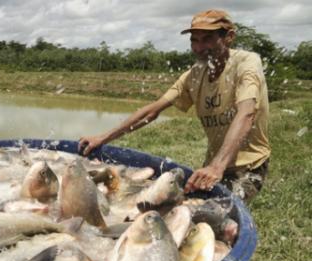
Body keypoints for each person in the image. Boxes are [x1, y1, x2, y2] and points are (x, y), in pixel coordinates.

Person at [79, 9, 270, 204]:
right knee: (178, 204)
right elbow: (152, 111)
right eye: (194, 40)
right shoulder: (194, 75)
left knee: (217, 212)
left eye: (207, 39)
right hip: (214, 164)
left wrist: (216, 166)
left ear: (229, 37)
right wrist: (103, 138)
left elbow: (247, 114)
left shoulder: (246, 63)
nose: (199, 47)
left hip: (247, 166)